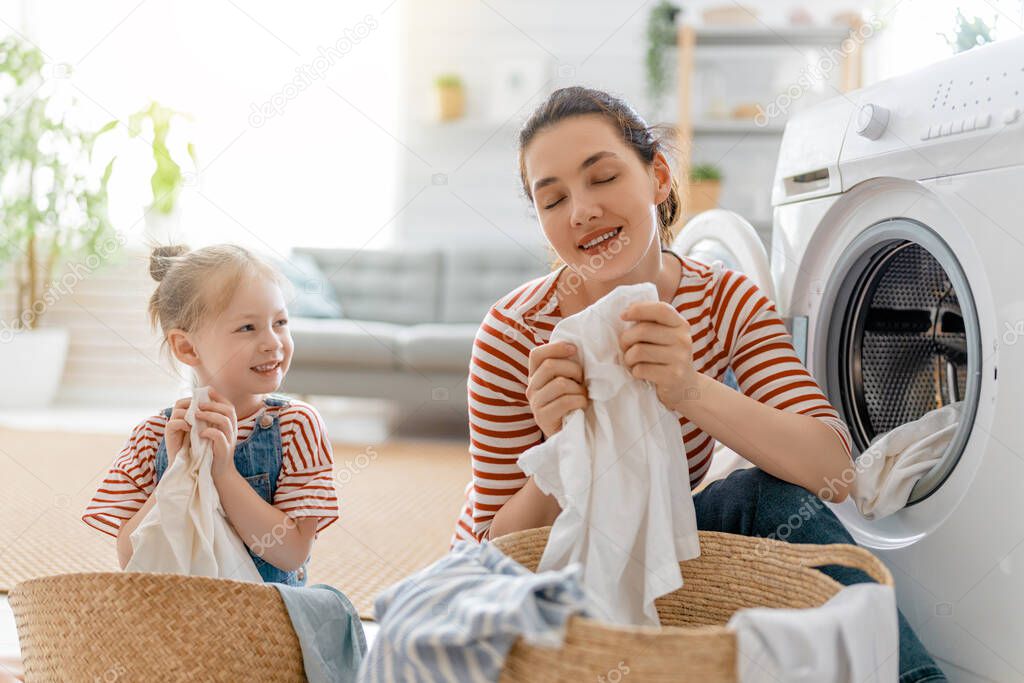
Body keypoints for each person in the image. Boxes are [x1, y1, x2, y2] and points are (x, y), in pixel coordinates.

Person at [450, 86, 946, 682]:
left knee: (767, 494)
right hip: (528, 572)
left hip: (658, 535)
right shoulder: (516, 331)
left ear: (657, 177)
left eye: (603, 177)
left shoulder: (724, 301)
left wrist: (690, 390)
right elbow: (493, 549)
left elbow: (831, 468)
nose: (580, 211)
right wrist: (564, 448)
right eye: (552, 199)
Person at [83, 244, 338, 585]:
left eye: (280, 322)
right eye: (248, 328)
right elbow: (133, 557)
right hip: (183, 621)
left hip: (266, 620)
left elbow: (292, 553)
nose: (272, 342)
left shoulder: (296, 427)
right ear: (187, 347)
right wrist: (177, 473)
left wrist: (223, 472)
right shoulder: (153, 434)